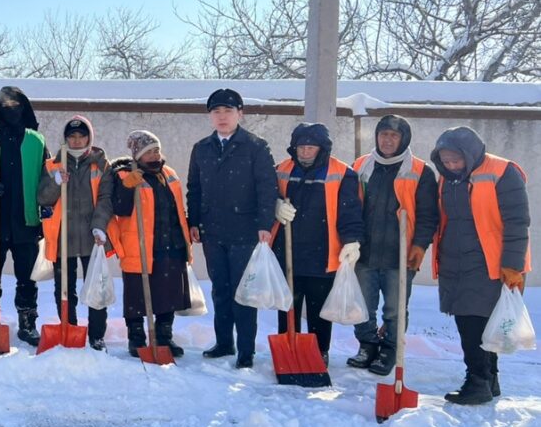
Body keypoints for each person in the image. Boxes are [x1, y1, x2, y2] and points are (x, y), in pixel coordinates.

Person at [431, 126, 530, 405]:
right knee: (480, 322)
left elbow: (517, 222)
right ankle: (489, 378)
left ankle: (477, 381)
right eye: (446, 162)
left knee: (473, 323)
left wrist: (512, 265)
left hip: (490, 262)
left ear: (470, 154)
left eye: (456, 160)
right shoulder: (447, 179)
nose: (451, 166)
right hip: (455, 261)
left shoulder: (502, 171)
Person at [186, 88, 278, 369]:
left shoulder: (255, 146)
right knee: (220, 290)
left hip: (245, 230)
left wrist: (264, 224)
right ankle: (224, 342)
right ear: (210, 116)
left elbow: (267, 187)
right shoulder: (202, 148)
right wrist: (194, 222)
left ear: (240, 113)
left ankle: (246, 351)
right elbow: (195, 188)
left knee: (243, 292)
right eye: (216, 111)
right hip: (213, 231)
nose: (222, 117)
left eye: (228, 111)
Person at [350, 115, 439, 374]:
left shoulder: (420, 171)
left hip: (399, 254)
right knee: (363, 306)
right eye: (383, 134)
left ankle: (389, 348)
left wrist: (420, 246)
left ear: (403, 140)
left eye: (394, 135)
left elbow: (428, 215)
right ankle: (367, 345)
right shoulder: (361, 166)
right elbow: (350, 206)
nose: (387, 140)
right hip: (364, 253)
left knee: (395, 308)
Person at [271, 122, 365, 366]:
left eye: (310, 147)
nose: (304, 153)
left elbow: (350, 212)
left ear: (322, 148)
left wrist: (352, 241)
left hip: (323, 252)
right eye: (301, 147)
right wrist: (275, 204)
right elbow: (265, 194)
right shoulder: (281, 169)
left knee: (319, 309)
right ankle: (288, 347)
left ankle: (318, 350)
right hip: (287, 250)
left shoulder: (343, 173)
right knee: (288, 305)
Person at [0, 86, 51, 347]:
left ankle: (27, 323)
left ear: (25, 108)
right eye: (5, 107)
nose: (11, 112)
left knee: (27, 276)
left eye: (15, 106)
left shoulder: (37, 141)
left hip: (27, 220)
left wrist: (48, 205)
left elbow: (47, 179)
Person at [105, 130, 192, 357]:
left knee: (168, 294)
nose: (154, 156)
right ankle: (136, 338)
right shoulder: (125, 175)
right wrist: (127, 187)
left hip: (170, 244)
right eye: (148, 152)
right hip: (140, 246)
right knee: (136, 295)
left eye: (156, 150)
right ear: (137, 156)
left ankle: (164, 337)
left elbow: (177, 208)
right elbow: (120, 210)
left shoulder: (169, 173)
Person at [37, 115, 112, 350]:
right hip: (63, 238)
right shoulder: (53, 165)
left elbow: (106, 198)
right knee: (64, 288)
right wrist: (56, 182)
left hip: (93, 237)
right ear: (65, 138)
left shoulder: (101, 164)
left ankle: (97, 335)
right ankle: (69, 327)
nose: (77, 141)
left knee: (96, 286)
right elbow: (42, 198)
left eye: (82, 136)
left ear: (89, 138)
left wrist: (99, 225)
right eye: (72, 136)